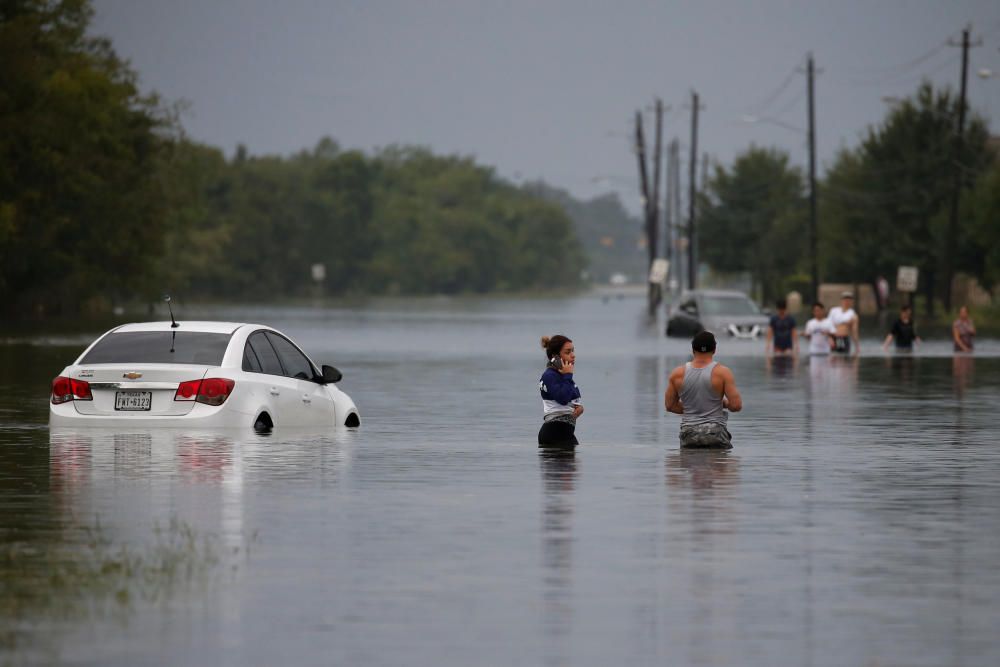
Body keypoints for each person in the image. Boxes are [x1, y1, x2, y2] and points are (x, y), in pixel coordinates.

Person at [665, 331, 742, 448]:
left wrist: (694, 408)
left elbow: (670, 406)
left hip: (689, 434)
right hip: (715, 434)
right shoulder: (723, 373)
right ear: (714, 349)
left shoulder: (677, 374)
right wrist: (724, 404)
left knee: (688, 464)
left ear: (692, 349)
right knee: (726, 464)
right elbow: (736, 406)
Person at [538, 335, 583, 447]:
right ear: (555, 357)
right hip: (554, 432)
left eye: (573, 351)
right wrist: (568, 375)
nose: (573, 356)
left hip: (564, 431)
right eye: (568, 352)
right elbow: (563, 398)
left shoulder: (562, 376)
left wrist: (579, 408)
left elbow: (571, 398)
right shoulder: (550, 376)